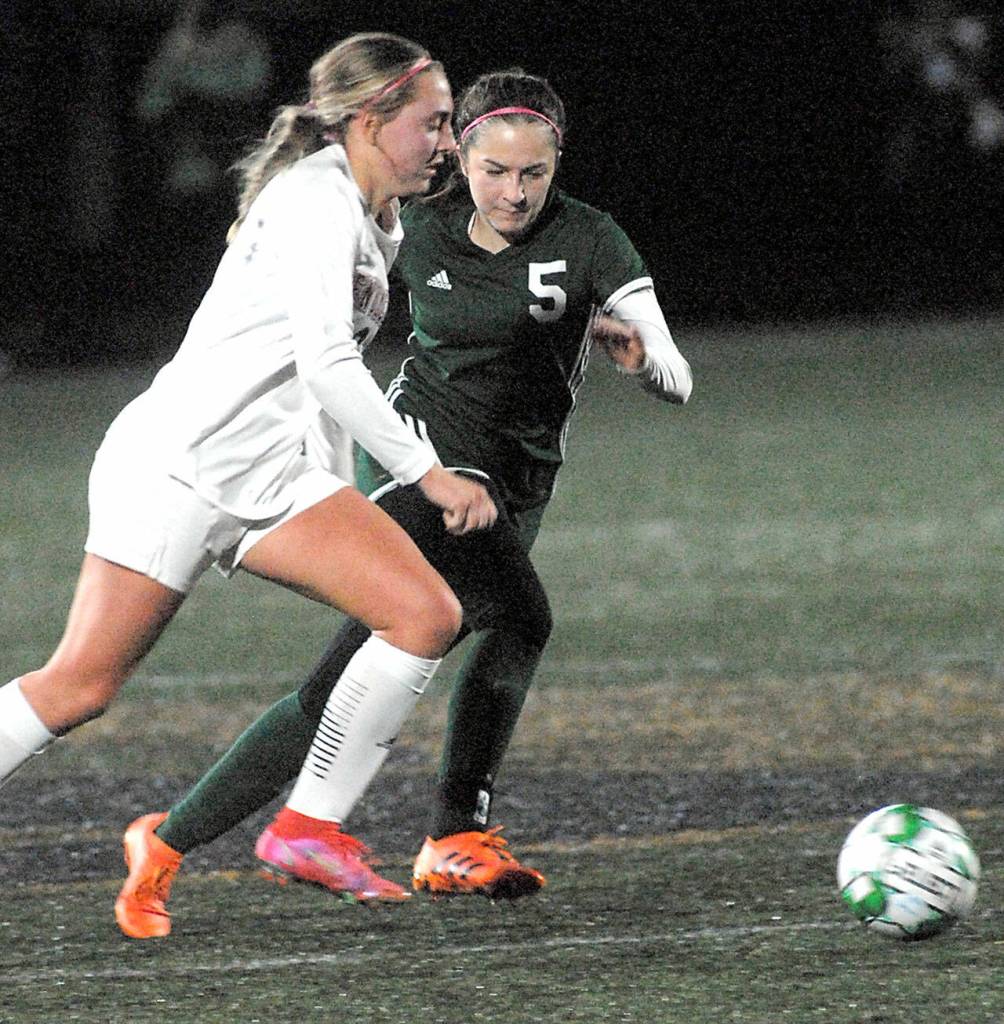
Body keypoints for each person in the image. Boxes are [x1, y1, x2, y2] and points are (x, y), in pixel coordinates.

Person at [113, 68, 693, 937]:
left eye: (533, 172)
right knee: (518, 619)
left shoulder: (593, 240)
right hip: (426, 480)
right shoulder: (411, 228)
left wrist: (640, 357)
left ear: (556, 159)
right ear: (460, 150)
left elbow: (678, 378)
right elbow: (324, 337)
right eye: (494, 169)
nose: (514, 189)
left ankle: (167, 842)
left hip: (515, 491)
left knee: (340, 688)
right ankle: (453, 836)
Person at [0, 32, 499, 933]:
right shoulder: (316, 203)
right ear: (370, 118)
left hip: (267, 473)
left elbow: (312, 388)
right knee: (78, 687)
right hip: (178, 467)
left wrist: (349, 494)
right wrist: (425, 476)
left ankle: (308, 827)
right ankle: (298, 824)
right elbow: (330, 364)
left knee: (423, 614)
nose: (448, 142)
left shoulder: (373, 214)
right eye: (432, 123)